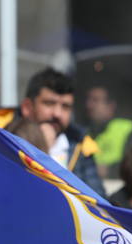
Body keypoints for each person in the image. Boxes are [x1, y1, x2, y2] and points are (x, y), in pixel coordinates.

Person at [18, 67, 105, 197]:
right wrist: (39, 148)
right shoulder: (5, 138)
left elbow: (99, 202)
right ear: (27, 107)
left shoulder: (81, 146)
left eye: (65, 106)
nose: (57, 114)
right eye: (49, 103)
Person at [85, 85, 132, 179]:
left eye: (96, 100)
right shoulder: (82, 132)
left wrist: (109, 170)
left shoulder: (127, 129)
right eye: (89, 100)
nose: (89, 105)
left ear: (110, 106)